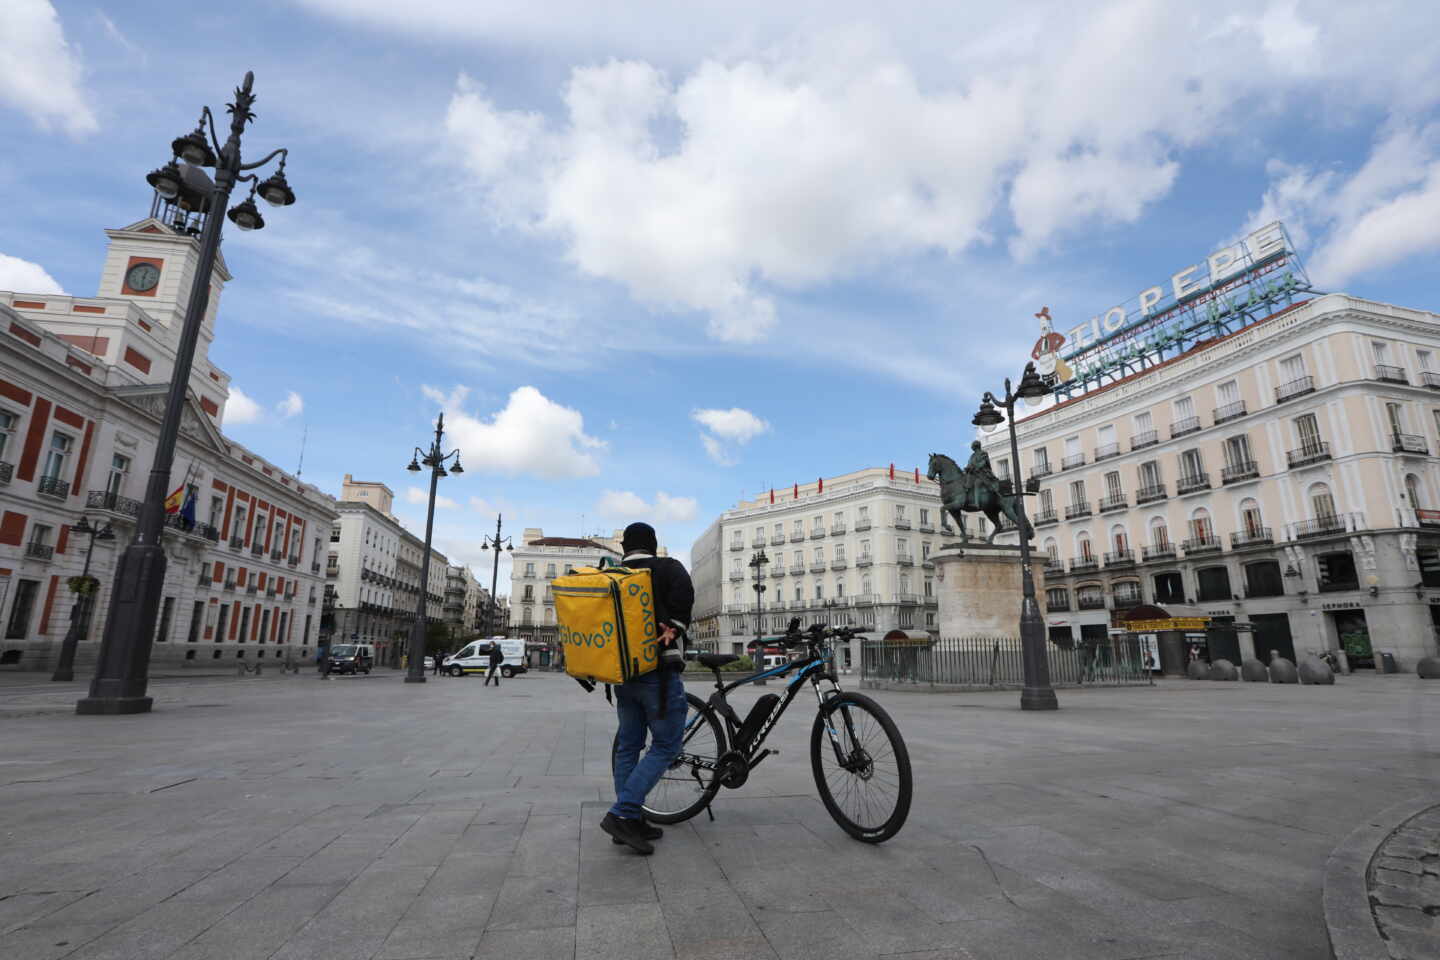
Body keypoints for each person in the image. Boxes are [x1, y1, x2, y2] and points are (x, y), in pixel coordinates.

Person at [601, 522, 694, 855]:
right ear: (653, 544)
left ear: (625, 546)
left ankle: (632, 819)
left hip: (622, 675)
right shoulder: (667, 568)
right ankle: (622, 814)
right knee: (667, 746)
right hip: (659, 673)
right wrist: (676, 625)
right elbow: (684, 598)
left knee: (628, 746)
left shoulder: (611, 575)